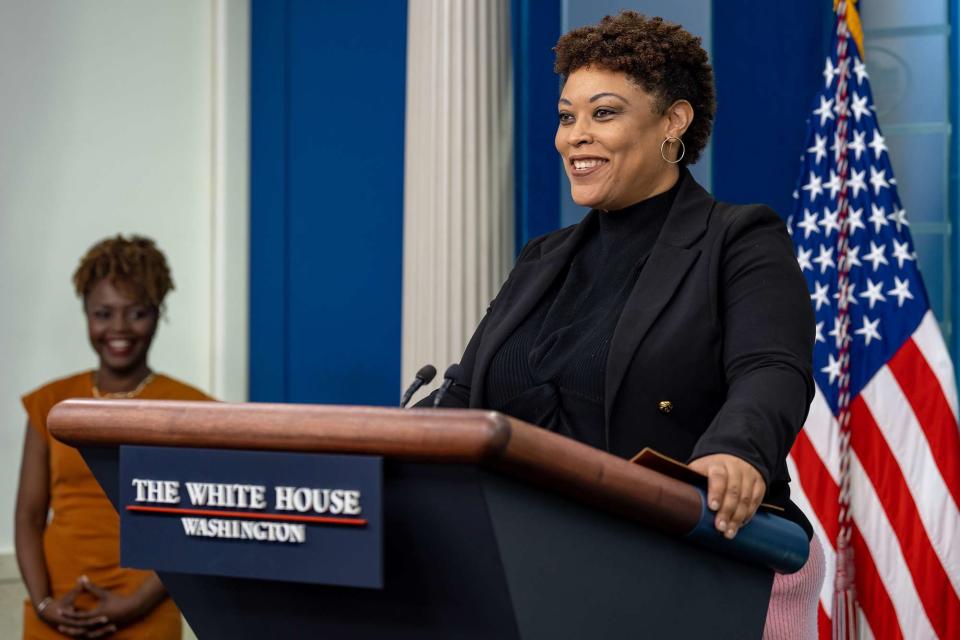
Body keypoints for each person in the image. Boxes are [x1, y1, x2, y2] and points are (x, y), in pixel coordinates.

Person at [423, 12, 824, 639]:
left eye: (603, 113)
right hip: (531, 572)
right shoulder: (541, 259)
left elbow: (771, 369)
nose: (575, 137)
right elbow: (463, 397)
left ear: (674, 122)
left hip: (694, 566)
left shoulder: (738, 240)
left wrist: (735, 451)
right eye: (566, 116)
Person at [15, 235, 211, 639]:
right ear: (86, 314)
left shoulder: (195, 409)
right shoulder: (51, 403)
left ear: (158, 314)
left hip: (147, 612)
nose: (119, 329)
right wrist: (43, 604)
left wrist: (138, 603)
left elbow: (200, 524)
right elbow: (29, 516)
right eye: (103, 313)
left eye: (136, 313)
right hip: (55, 613)